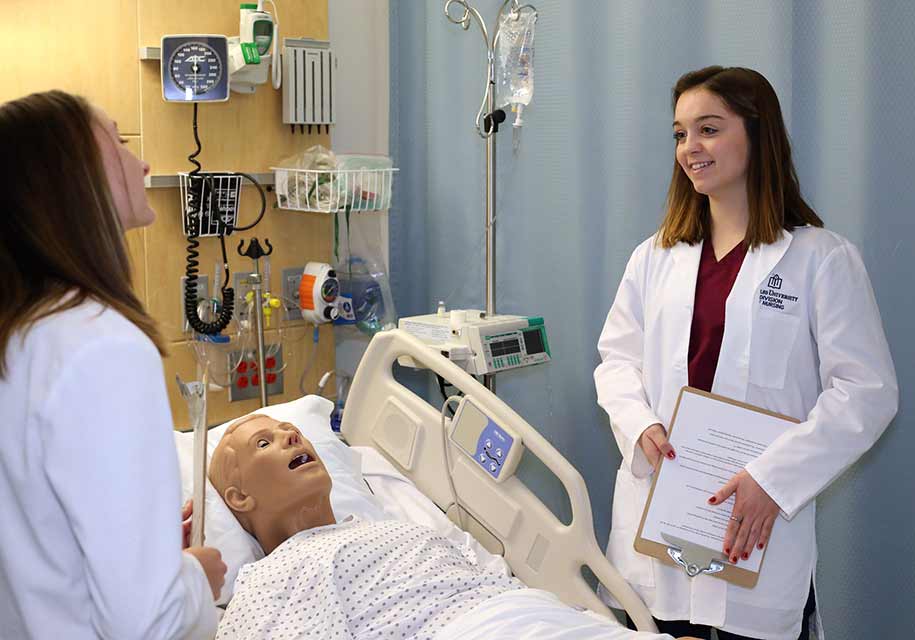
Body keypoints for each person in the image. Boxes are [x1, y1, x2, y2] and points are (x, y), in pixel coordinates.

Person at [594, 66, 898, 640]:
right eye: (680, 133)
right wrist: (639, 427)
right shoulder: (654, 257)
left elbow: (867, 392)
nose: (690, 148)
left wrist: (773, 479)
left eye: (708, 128)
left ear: (757, 135)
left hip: (758, 521)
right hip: (661, 511)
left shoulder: (821, 259)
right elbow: (616, 361)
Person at [0, 90, 226, 638]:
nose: (142, 161)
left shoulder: (24, 334)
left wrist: (141, 550)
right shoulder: (104, 348)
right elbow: (146, 624)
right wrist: (193, 576)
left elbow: (37, 541)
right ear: (72, 177)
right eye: (120, 142)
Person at [208, 414, 692, 640]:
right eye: (264, 443)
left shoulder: (396, 527)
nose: (292, 434)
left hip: (533, 616)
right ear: (238, 498)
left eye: (289, 429)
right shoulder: (271, 579)